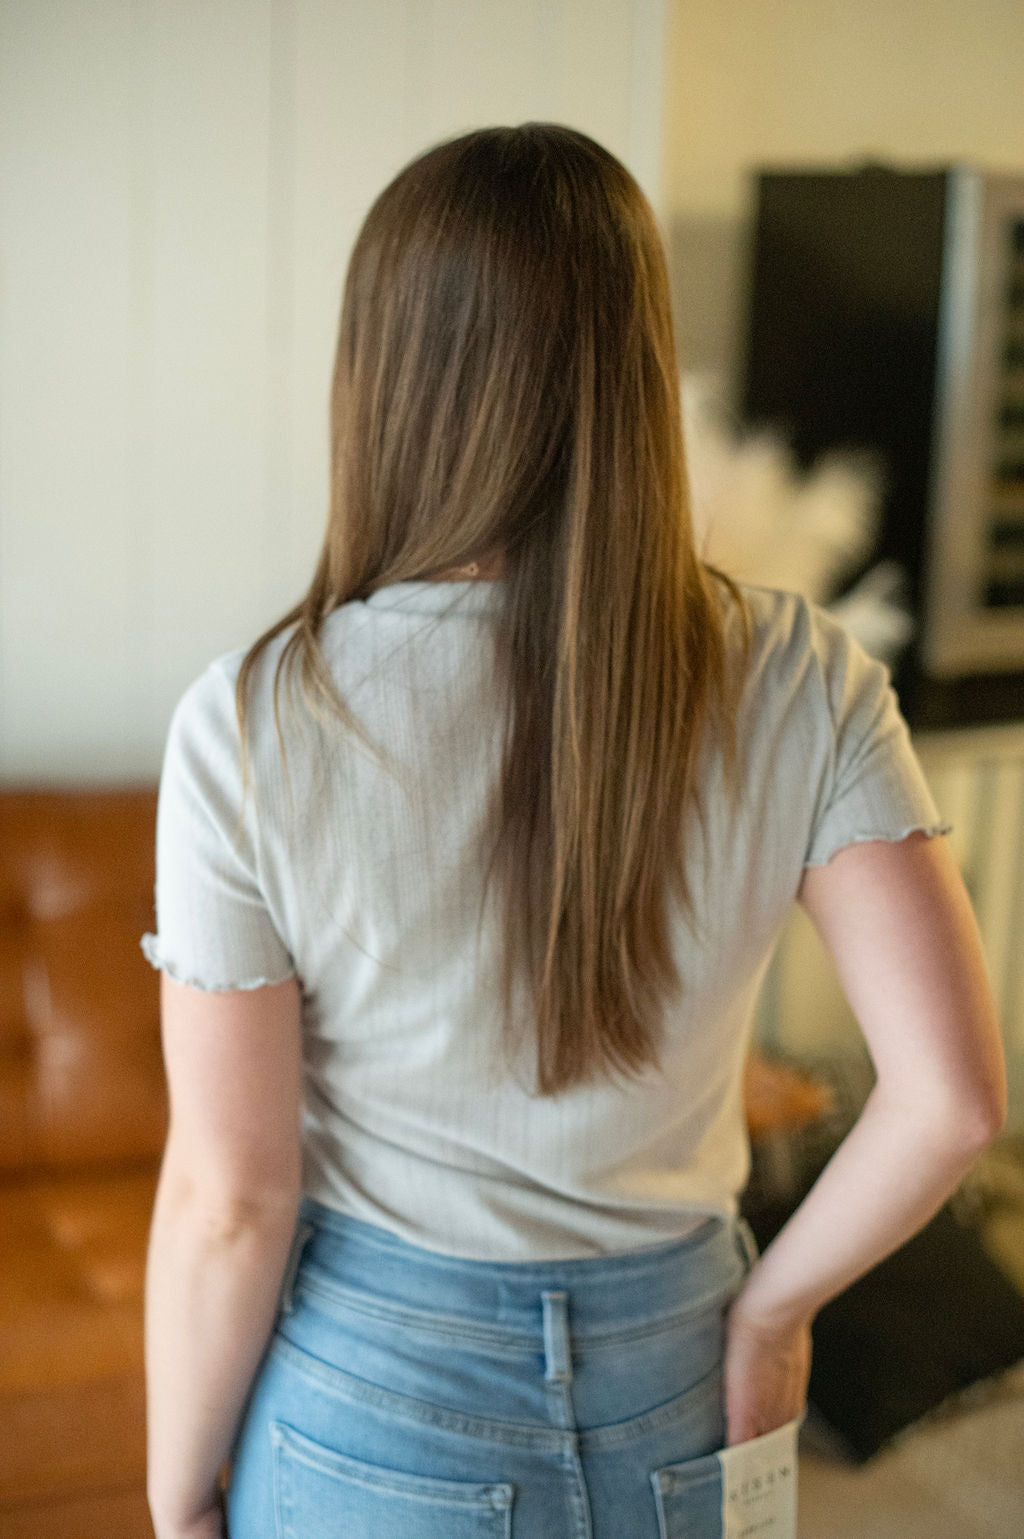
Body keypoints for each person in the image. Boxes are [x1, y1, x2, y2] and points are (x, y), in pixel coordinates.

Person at [140, 123, 1006, 1539]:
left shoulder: (249, 720)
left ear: (383, 380)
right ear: (636, 364)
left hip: (374, 1401)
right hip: (680, 1376)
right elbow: (953, 1103)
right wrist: (775, 1312)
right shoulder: (802, 673)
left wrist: (177, 1503)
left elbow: (232, 1197)